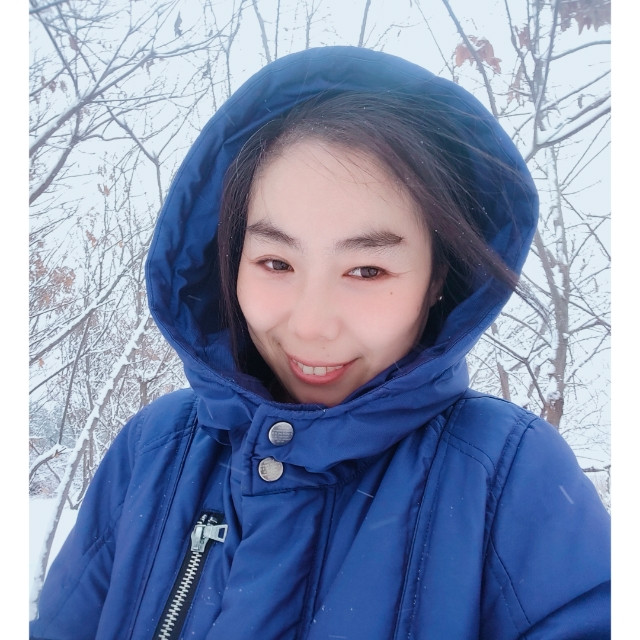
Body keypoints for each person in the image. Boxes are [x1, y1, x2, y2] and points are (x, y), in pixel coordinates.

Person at [30, 46, 610, 640]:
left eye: (367, 270)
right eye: (276, 262)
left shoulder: (508, 475)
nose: (311, 326)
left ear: (437, 278)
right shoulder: (157, 449)